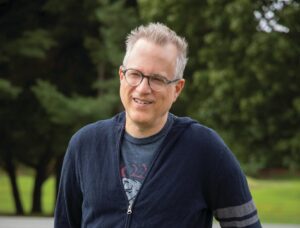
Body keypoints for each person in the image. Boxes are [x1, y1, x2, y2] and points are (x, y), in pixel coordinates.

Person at [54, 22, 262, 228]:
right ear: (121, 76)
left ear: (177, 89)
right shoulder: (85, 145)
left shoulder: (205, 150)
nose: (143, 88)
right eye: (135, 74)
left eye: (157, 79)